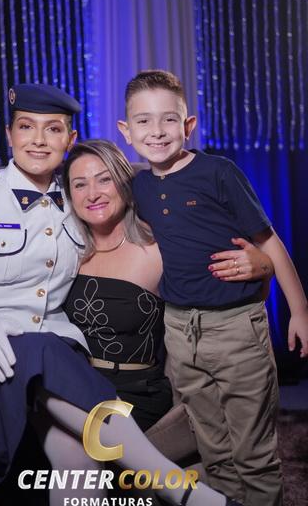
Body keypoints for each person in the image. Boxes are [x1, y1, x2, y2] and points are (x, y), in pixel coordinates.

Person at [0, 83, 243, 506]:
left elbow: (163, 205)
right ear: (9, 135)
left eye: (52, 129)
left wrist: (258, 257)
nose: (38, 140)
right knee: (46, 348)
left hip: (51, 371)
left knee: (76, 456)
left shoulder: (78, 202)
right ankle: (182, 491)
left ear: (68, 140)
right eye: (26, 127)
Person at [117, 69, 308, 506]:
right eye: (143, 121)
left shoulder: (219, 173)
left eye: (169, 119)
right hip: (179, 331)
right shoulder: (138, 187)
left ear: (188, 125)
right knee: (214, 451)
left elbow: (269, 243)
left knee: (253, 454)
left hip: (236, 328)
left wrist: (299, 310)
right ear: (126, 131)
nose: (156, 131)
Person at [62, 139, 274, 433]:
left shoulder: (160, 247)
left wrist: (263, 266)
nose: (93, 193)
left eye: (104, 179)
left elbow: (243, 290)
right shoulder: (63, 251)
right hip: (74, 385)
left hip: (133, 395)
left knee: (91, 446)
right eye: (80, 184)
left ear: (124, 183)